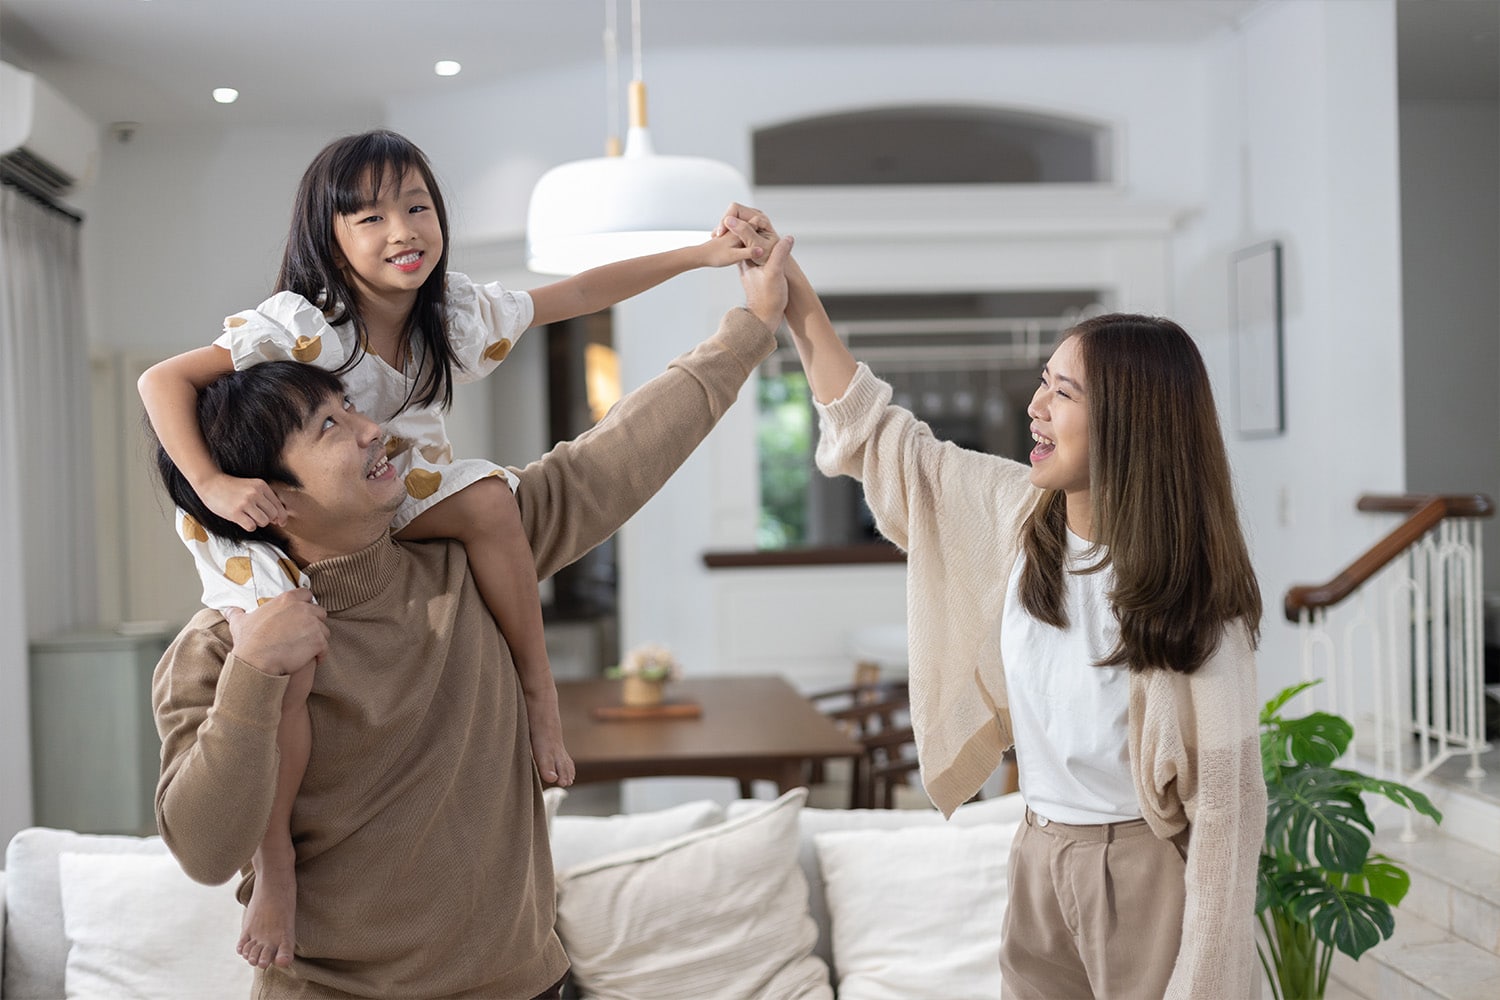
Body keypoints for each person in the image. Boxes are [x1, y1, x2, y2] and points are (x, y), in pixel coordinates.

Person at [137, 128, 773, 970]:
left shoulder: (460, 538)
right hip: (333, 987)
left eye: (417, 207)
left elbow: (604, 379)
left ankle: (542, 694)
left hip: (522, 981)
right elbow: (199, 848)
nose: (401, 230)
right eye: (333, 424)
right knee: (290, 660)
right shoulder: (229, 640)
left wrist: (726, 285)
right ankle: (280, 869)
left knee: (487, 501)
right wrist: (251, 664)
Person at [720, 212, 1267, 999]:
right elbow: (883, 439)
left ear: (1130, 422)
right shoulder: (1018, 517)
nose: (1036, 408)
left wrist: (1204, 979)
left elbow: (1229, 813)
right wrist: (794, 296)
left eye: (1063, 392)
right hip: (1037, 850)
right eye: (1042, 383)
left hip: (1143, 871)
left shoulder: (1196, 600)